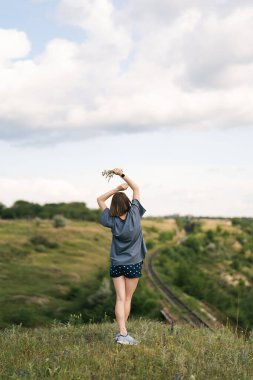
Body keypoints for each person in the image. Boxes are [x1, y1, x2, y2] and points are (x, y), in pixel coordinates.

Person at [97, 168, 147, 345]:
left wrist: (116, 189)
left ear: (114, 207)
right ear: (128, 204)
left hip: (116, 263)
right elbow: (136, 188)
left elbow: (99, 200)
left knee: (119, 298)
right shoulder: (135, 214)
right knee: (127, 298)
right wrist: (122, 175)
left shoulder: (111, 220)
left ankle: (122, 333)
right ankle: (123, 335)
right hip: (133, 263)